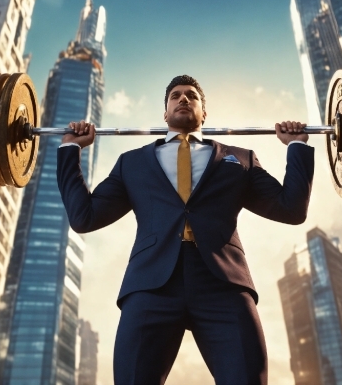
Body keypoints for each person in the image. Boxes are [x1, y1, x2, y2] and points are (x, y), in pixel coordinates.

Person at [57, 75, 314, 385]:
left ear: (204, 112)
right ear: (165, 113)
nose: (183, 99)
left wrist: (297, 147)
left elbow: (291, 209)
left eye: (191, 95)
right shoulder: (132, 163)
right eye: (175, 96)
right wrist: (70, 151)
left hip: (223, 284)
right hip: (151, 285)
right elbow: (84, 217)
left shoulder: (241, 159)